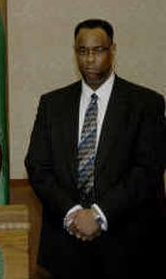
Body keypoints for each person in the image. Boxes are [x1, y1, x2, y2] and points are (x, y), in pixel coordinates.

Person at [25, 18, 166, 279]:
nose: (89, 59)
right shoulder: (52, 104)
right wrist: (73, 213)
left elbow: (148, 169)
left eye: (98, 50)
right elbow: (37, 166)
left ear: (112, 49)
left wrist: (99, 214)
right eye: (82, 51)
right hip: (65, 246)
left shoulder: (146, 103)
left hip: (128, 246)